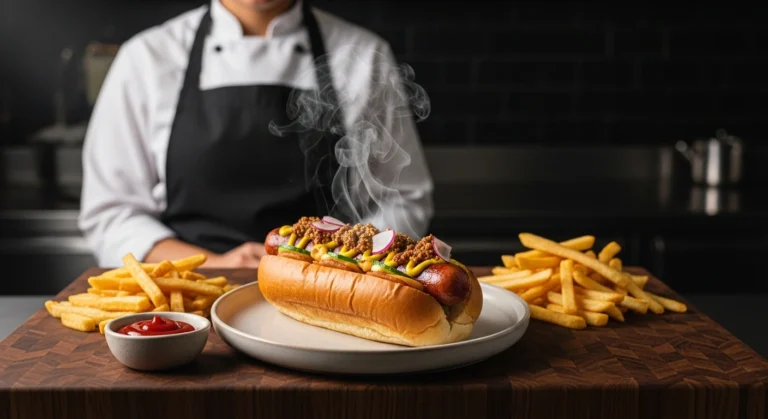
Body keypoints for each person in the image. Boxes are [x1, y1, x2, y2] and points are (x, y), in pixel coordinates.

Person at [79, 0, 434, 268]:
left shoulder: (363, 56)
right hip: (190, 300)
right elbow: (111, 214)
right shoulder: (147, 58)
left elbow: (401, 198)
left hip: (326, 288)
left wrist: (340, 265)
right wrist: (215, 266)